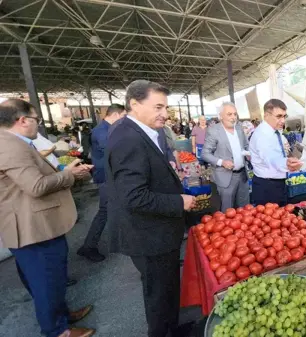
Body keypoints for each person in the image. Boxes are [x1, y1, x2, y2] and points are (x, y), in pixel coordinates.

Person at [105, 80, 196, 337]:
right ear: (134, 104)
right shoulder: (127, 137)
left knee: (166, 288)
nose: (164, 114)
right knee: (158, 294)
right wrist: (179, 201)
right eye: (158, 107)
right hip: (148, 235)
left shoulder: (136, 131)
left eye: (165, 107)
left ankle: (173, 328)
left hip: (156, 231)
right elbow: (133, 197)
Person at [0, 99, 95, 337]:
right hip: (33, 227)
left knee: (48, 278)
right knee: (46, 280)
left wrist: (65, 173)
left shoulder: (16, 143)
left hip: (34, 223)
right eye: (36, 120)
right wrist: (69, 175)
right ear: (22, 121)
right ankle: (57, 330)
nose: (38, 125)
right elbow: (36, 186)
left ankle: (60, 314)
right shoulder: (10, 145)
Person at [77, 104, 126, 262]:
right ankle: (88, 246)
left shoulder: (106, 129)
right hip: (106, 177)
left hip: (110, 175)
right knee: (104, 210)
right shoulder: (102, 131)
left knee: (115, 208)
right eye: (124, 117)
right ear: (117, 115)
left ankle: (121, 239)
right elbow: (115, 152)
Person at [249, 99, 303, 206]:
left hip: (277, 182)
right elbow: (270, 158)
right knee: (270, 219)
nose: (283, 121)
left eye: (284, 116)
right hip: (267, 187)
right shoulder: (262, 135)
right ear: (266, 115)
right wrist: (286, 163)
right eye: (279, 116)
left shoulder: (275, 131)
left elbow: (278, 151)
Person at [202, 102, 250, 211]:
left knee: (245, 211)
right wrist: (222, 162)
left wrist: (249, 154)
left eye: (235, 114)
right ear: (221, 116)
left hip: (243, 176)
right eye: (229, 114)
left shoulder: (239, 129)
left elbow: (246, 146)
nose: (233, 117)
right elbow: (205, 154)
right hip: (226, 178)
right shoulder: (214, 130)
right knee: (227, 213)